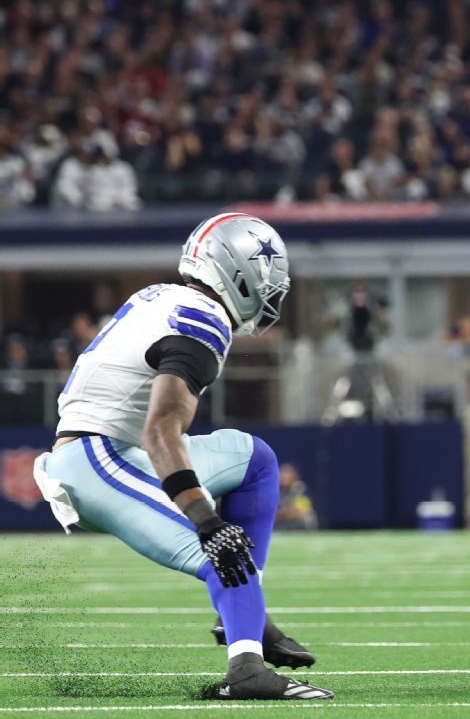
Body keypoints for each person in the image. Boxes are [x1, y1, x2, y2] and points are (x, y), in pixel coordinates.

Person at [31, 213, 333, 700]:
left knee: (254, 460)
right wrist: (205, 519)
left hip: (119, 449)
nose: (270, 297)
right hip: (96, 461)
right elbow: (160, 430)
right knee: (223, 550)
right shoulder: (201, 321)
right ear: (239, 276)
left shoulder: (161, 296)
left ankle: (239, 614)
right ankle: (246, 672)